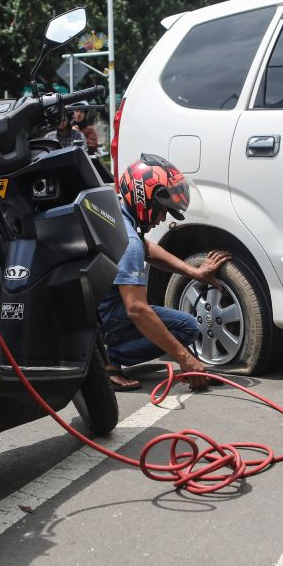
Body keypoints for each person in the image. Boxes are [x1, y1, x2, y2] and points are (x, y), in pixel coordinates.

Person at [96, 153, 231, 391]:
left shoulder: (114, 210)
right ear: (146, 199)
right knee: (187, 327)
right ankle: (107, 359)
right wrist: (184, 357)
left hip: (90, 309)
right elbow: (136, 310)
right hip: (104, 315)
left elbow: (147, 248)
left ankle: (101, 352)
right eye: (163, 210)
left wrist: (195, 272)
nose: (163, 218)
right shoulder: (129, 241)